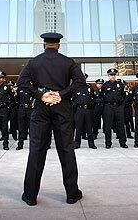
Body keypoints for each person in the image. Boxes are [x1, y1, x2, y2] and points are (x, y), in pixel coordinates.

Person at [18, 32, 85, 206]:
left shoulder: (34, 62)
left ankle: (30, 196)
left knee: (37, 150)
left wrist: (41, 95)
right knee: (66, 149)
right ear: (58, 45)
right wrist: (61, 94)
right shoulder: (68, 62)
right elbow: (80, 82)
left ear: (44, 45)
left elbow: (22, 82)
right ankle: (72, 194)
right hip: (62, 108)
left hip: (41, 108)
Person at [101, 69, 128, 148]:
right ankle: (108, 143)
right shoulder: (105, 85)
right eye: (111, 75)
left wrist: (121, 105)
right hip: (108, 107)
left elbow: (124, 96)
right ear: (108, 76)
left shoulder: (120, 84)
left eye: (114, 75)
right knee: (108, 126)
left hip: (118, 107)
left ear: (116, 75)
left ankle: (123, 142)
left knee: (121, 125)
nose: (112, 76)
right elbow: (101, 96)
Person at [72, 73, 96, 149]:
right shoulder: (75, 88)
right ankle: (77, 144)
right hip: (79, 109)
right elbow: (72, 99)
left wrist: (91, 104)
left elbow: (94, 98)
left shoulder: (90, 88)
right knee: (78, 127)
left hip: (88, 110)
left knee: (89, 127)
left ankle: (91, 143)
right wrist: (75, 105)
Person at [16, 83, 34, 150]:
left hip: (30, 109)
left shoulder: (32, 88)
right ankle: (20, 144)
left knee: (32, 128)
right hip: (22, 109)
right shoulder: (20, 89)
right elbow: (17, 99)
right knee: (21, 128)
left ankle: (32, 145)